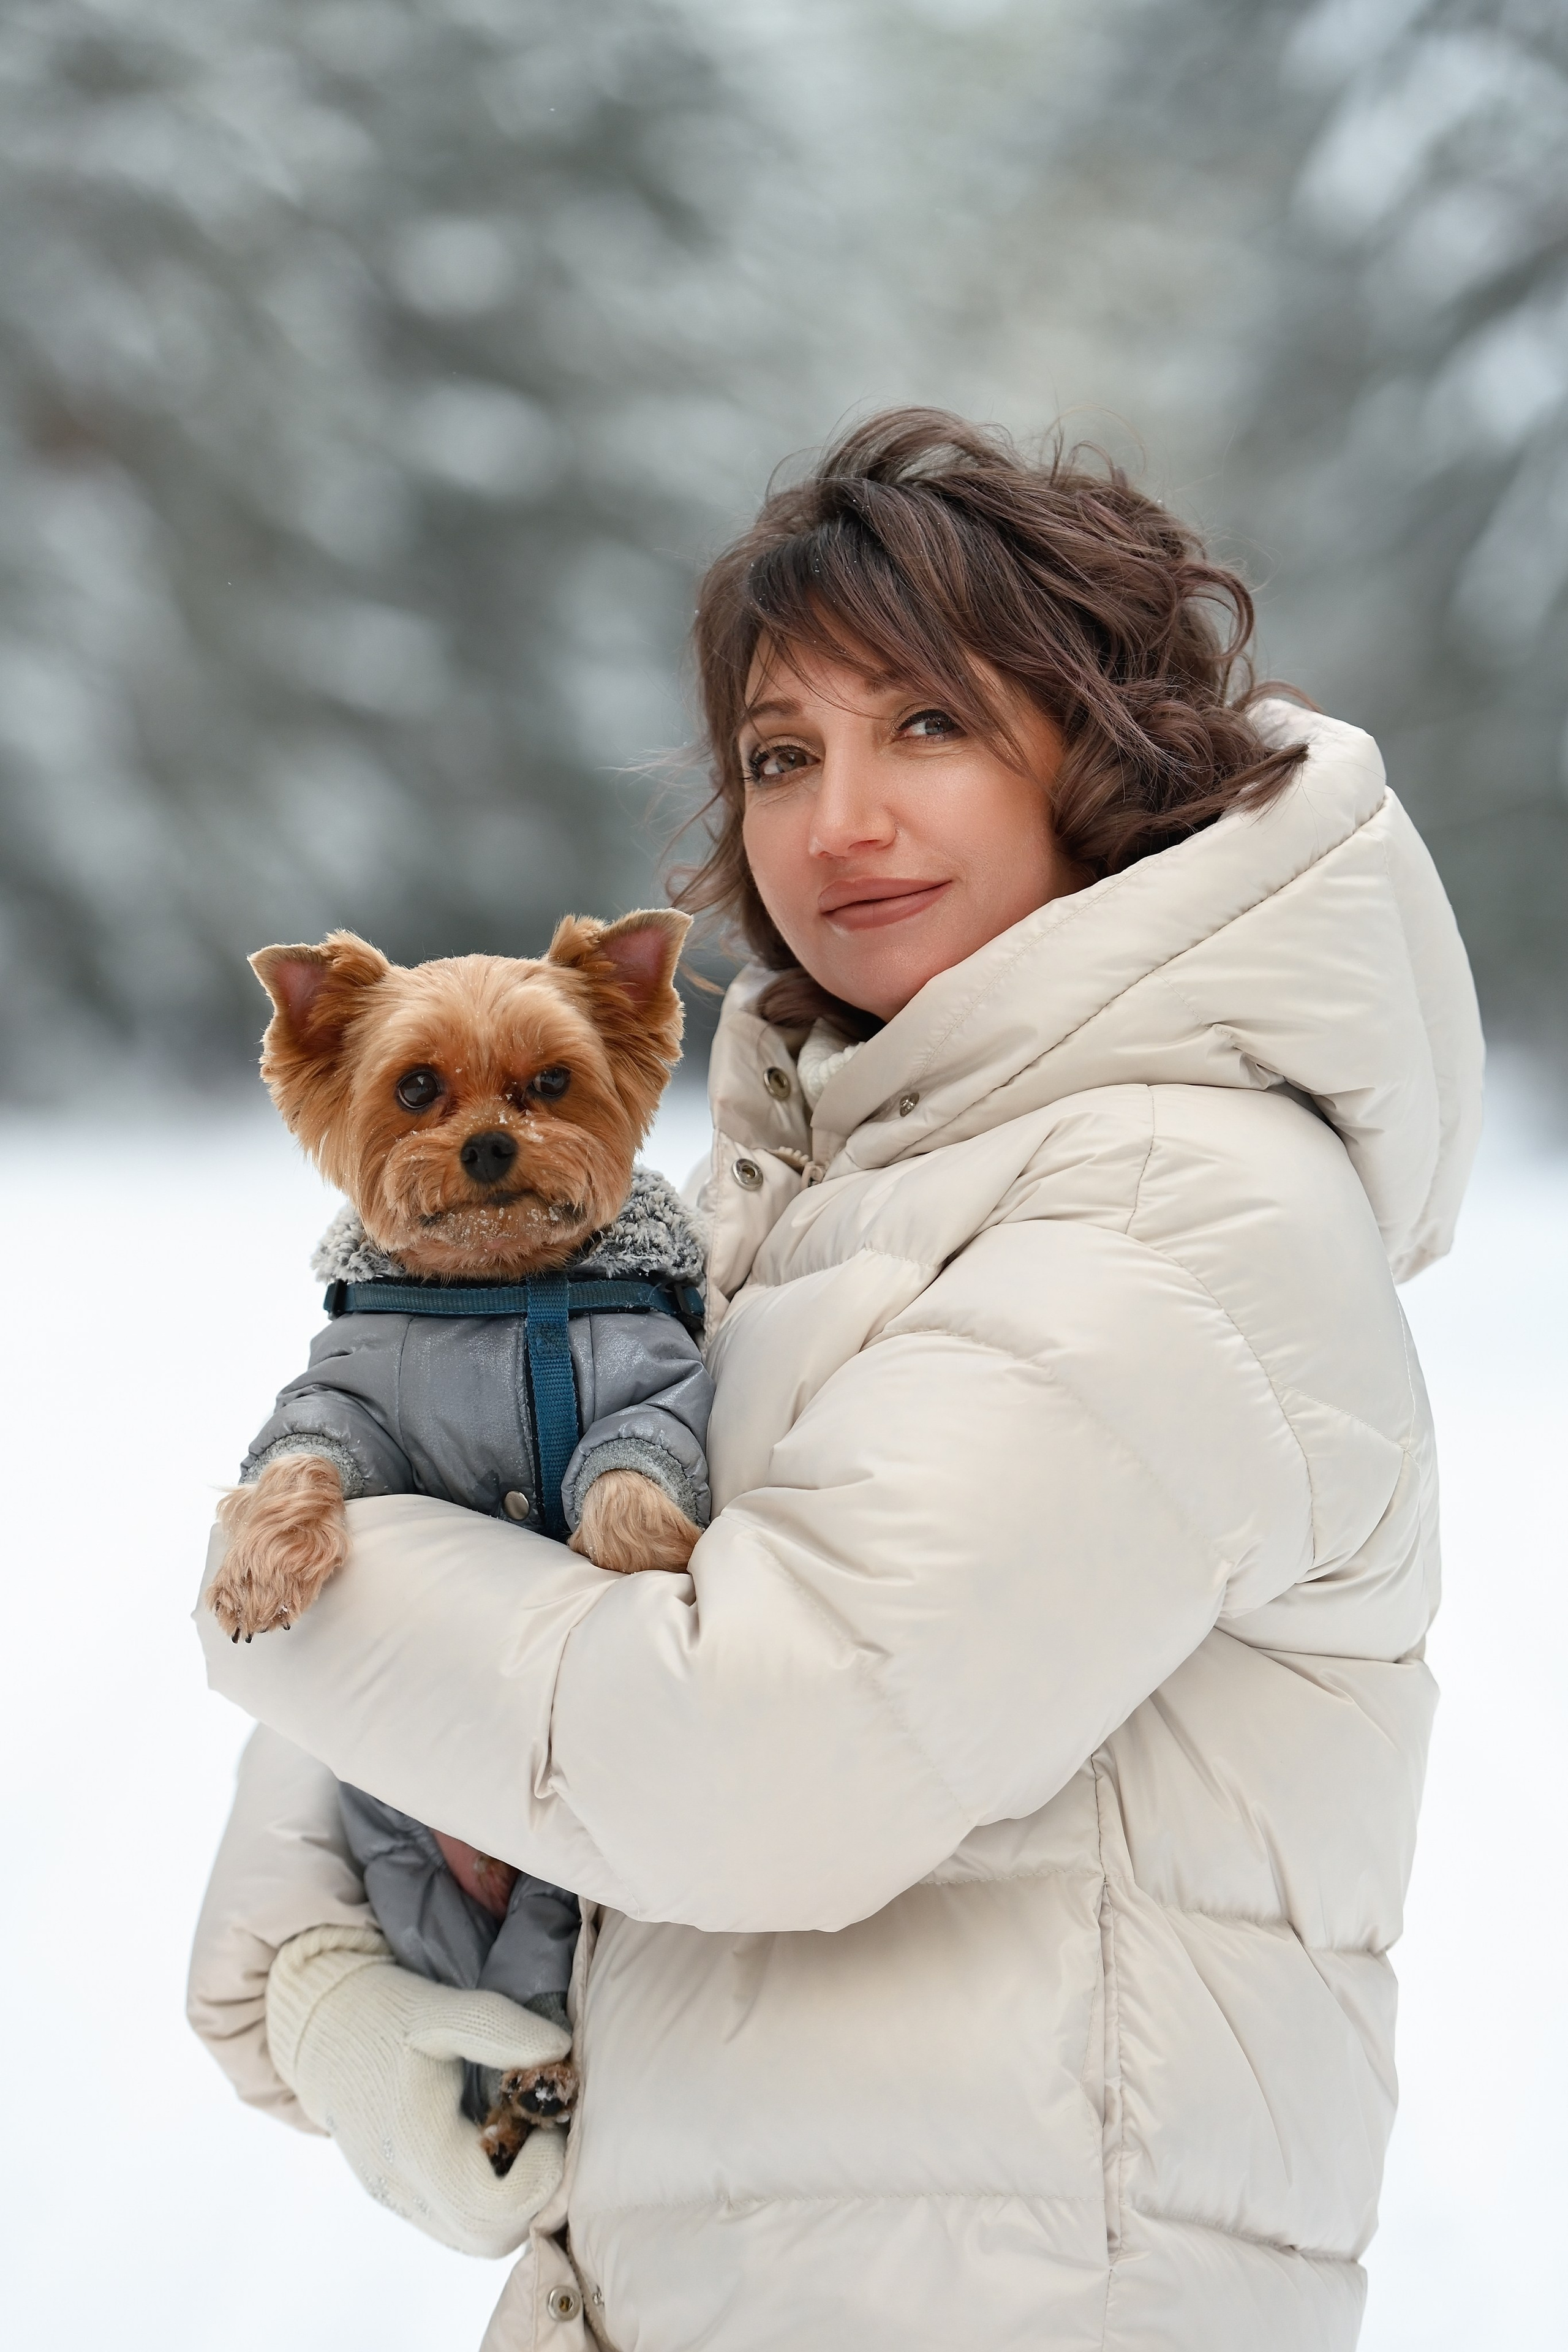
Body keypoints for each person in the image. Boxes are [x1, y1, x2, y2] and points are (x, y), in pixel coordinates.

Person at [189, 409, 1482, 2351]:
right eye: (782, 754)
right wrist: (315, 1977)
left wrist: (283, 1588)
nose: (835, 821)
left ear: (1107, 746)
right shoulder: (823, 1192)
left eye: (929, 729)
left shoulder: (1178, 1211)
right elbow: (524, 1555)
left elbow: (761, 1757)